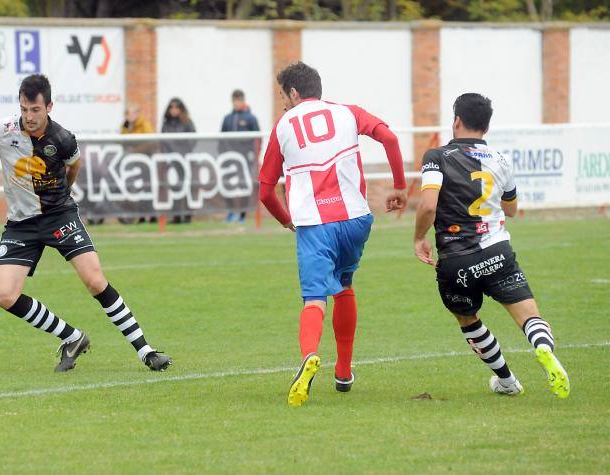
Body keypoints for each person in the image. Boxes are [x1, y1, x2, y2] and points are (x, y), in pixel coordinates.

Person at [0, 74, 171, 373]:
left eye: (35, 110)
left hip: (59, 216)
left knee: (95, 280)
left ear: (49, 107)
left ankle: (146, 351)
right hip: (21, 224)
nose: (29, 116)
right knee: (3, 295)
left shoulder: (63, 139)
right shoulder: (2, 129)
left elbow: (74, 165)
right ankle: (72, 337)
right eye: (24, 109)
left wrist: (62, 194)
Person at [259, 62, 407, 407]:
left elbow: (265, 191)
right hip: (355, 218)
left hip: (315, 222)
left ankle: (310, 355)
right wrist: (400, 185)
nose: (283, 103)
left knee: (314, 299)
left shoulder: (283, 126)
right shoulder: (348, 112)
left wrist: (285, 219)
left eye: (283, 95)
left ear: (294, 92)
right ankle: (343, 371)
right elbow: (390, 138)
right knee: (344, 286)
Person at [414, 93, 569, 398]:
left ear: (456, 120)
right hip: (497, 252)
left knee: (467, 319)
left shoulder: (437, 157)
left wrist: (419, 237)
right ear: (486, 127)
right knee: (529, 316)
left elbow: (428, 206)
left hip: (456, 260)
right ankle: (543, 347)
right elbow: (511, 209)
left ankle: (507, 381)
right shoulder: (501, 160)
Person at [220, 89, 261, 223]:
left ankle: (242, 214)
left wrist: (255, 155)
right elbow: (221, 138)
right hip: (230, 158)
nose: (236, 103)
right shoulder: (227, 119)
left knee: (244, 185)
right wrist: (223, 153)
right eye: (235, 101)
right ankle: (231, 211)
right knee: (228, 184)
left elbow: (258, 138)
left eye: (239, 100)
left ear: (243, 101)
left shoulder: (251, 118)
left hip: (245, 158)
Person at [161, 97, 196, 224]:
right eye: (171, 107)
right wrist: (167, 156)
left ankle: (187, 215)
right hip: (172, 161)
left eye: (176, 107)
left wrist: (184, 152)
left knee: (186, 187)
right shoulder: (166, 124)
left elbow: (193, 139)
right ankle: (176, 216)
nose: (174, 110)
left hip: (185, 159)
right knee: (174, 187)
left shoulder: (187, 122)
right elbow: (163, 142)